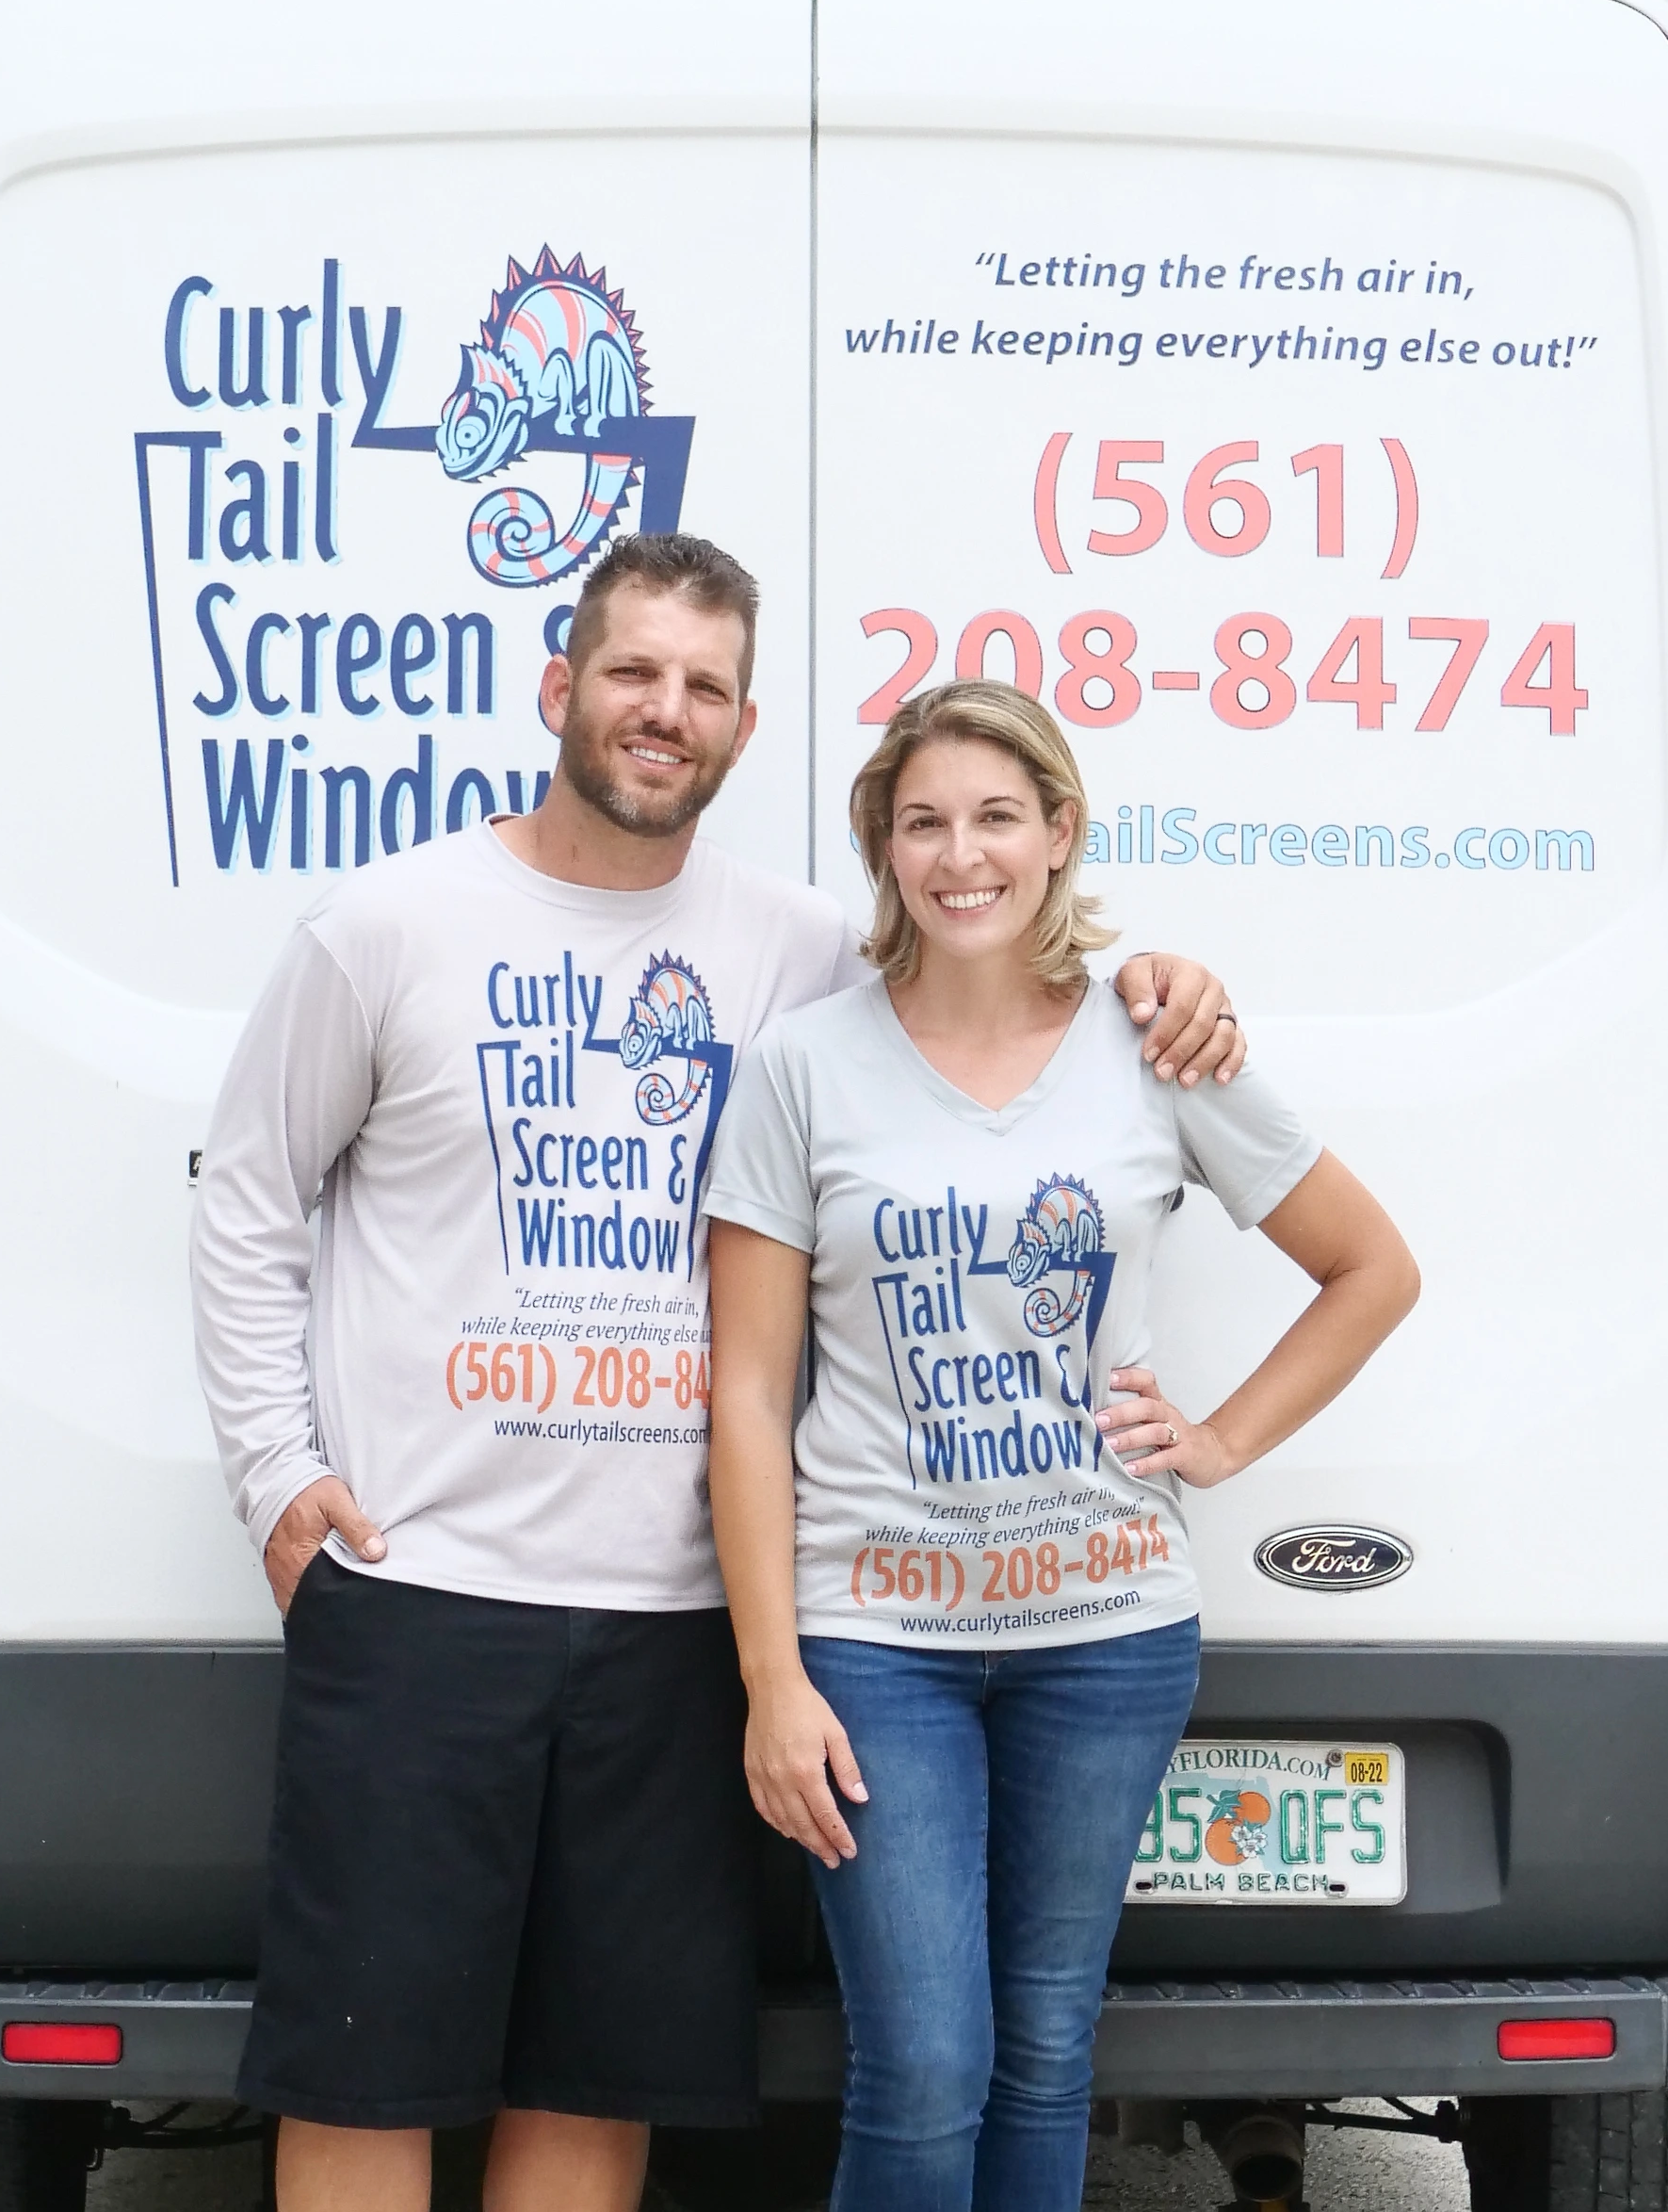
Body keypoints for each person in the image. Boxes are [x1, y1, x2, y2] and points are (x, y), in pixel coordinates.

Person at [186, 537, 1252, 2212]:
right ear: (560, 691)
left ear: (745, 729)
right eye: (632, 674)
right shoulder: (390, 924)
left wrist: (1154, 984)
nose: (662, 712)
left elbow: (982, 1005)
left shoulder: (805, 950)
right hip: (417, 1591)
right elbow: (246, 1193)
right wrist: (271, 1471)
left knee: (591, 2083)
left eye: (701, 687)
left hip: (677, 1623)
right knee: (363, 2066)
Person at [698, 679, 1421, 2212]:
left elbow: (1373, 1269)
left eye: (995, 817)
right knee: (921, 2066)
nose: (962, 856)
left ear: (1060, 833)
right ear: (884, 852)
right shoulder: (802, 1071)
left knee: (1044, 2055)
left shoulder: (1156, 1045)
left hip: (1108, 1636)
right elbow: (749, 1399)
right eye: (923, 824)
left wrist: (1219, 1440)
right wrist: (774, 1679)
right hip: (872, 1644)